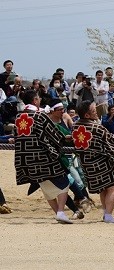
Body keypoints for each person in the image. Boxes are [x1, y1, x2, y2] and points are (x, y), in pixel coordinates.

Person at [14, 89, 72, 224]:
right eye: (38, 98)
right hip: (43, 157)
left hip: (24, 159)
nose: (40, 100)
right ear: (35, 100)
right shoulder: (40, 116)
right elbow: (53, 134)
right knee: (64, 181)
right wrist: (65, 138)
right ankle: (61, 212)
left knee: (45, 185)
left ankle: (59, 212)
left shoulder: (18, 117)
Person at [72, 100, 114, 223]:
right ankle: (108, 215)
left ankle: (106, 213)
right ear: (87, 115)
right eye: (94, 111)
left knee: (103, 188)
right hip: (101, 162)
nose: (97, 113)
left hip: (86, 163)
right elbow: (112, 139)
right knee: (112, 187)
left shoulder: (75, 126)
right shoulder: (97, 127)